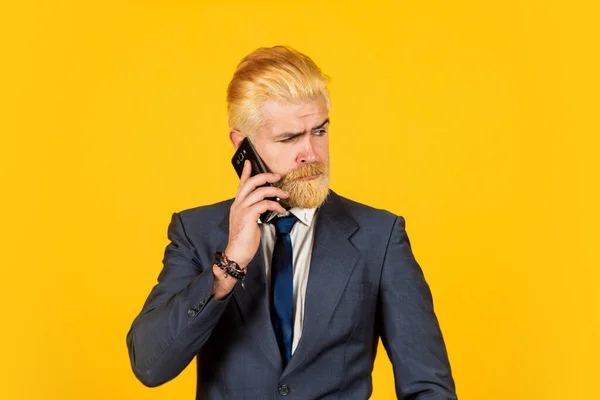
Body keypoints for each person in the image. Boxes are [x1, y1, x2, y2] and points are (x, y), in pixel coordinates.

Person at [126, 45, 457, 399]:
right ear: (243, 146)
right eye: (289, 138)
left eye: (319, 132)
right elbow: (149, 364)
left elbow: (429, 387)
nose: (311, 154)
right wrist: (229, 266)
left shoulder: (380, 237)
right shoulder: (196, 232)